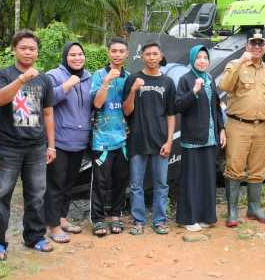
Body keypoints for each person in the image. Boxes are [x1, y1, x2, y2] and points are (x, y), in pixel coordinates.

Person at [0, 30, 57, 260]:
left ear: (37, 52)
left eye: (32, 49)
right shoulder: (3, 75)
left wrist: (51, 145)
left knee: (36, 195)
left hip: (36, 147)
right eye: (24, 48)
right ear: (14, 50)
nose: (28, 52)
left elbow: (48, 113)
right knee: (2, 195)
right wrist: (21, 79)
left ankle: (34, 237)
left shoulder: (44, 79)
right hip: (8, 146)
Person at [219, 29, 265, 227]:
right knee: (234, 168)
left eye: (260, 44)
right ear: (246, 46)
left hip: (261, 126)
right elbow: (225, 86)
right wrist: (240, 62)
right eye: (252, 43)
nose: (256, 47)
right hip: (238, 125)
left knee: (257, 169)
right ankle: (233, 211)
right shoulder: (234, 65)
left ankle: (254, 208)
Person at [123, 42, 176, 236]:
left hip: (161, 141)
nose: (152, 57)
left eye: (155, 54)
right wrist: (133, 91)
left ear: (161, 56)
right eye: (148, 54)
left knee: (161, 184)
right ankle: (138, 221)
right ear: (142, 57)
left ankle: (159, 221)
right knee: (136, 185)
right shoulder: (134, 79)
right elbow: (126, 110)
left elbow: (171, 114)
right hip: (138, 140)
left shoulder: (168, 82)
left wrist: (169, 140)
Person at [44, 42, 92, 244]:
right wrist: (67, 85)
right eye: (72, 54)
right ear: (65, 57)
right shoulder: (53, 75)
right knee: (55, 184)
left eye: (80, 54)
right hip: (60, 140)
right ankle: (53, 226)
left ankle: (62, 219)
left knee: (69, 184)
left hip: (80, 141)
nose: (77, 58)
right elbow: (46, 100)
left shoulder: (89, 77)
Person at [175, 45, 227, 232]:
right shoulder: (185, 79)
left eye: (205, 57)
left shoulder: (210, 78)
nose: (202, 60)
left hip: (210, 138)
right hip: (193, 139)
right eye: (199, 57)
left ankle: (206, 216)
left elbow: (216, 106)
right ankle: (188, 219)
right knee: (191, 180)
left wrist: (221, 129)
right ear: (192, 59)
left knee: (207, 179)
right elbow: (178, 105)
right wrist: (194, 91)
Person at [89, 38, 131, 237]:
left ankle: (115, 215)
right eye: (113, 51)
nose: (117, 54)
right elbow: (97, 104)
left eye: (121, 51)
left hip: (122, 139)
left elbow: (129, 110)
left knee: (120, 180)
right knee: (100, 182)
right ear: (108, 53)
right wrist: (106, 82)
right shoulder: (98, 75)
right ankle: (98, 219)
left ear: (127, 54)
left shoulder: (129, 77)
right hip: (101, 139)